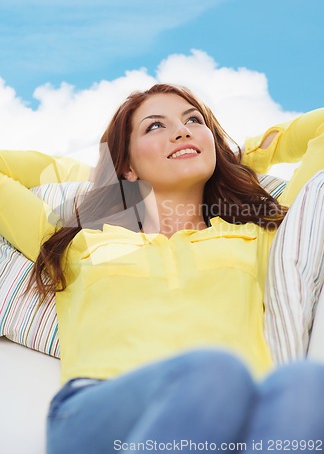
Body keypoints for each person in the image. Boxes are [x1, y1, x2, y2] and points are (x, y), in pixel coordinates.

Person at [0, 84, 323, 453]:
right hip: (103, 413)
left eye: (193, 121)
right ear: (127, 165)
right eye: (155, 126)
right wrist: (92, 174)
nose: (182, 130)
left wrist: (232, 155)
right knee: (215, 372)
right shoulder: (80, 243)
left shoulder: (257, 237)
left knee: (306, 385)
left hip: (238, 420)